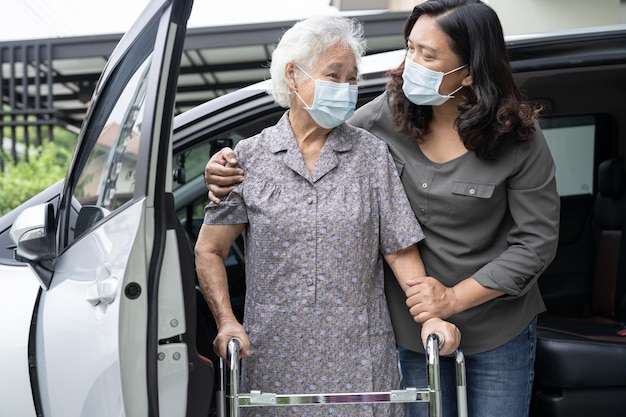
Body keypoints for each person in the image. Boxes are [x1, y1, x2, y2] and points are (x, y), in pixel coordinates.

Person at [203, 2, 560, 417]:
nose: (411, 64)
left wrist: (450, 300)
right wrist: (224, 171)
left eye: (428, 55)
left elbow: (535, 243)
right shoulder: (384, 118)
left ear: (469, 71)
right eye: (410, 48)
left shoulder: (517, 138)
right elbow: (317, 130)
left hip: (496, 322)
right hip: (413, 329)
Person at [194, 14, 461, 417]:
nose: (346, 88)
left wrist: (431, 319)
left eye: (352, 79)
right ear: (293, 75)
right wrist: (226, 322)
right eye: (333, 75)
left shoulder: (371, 156)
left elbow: (399, 250)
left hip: (359, 359)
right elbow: (209, 250)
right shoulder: (247, 158)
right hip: (274, 361)